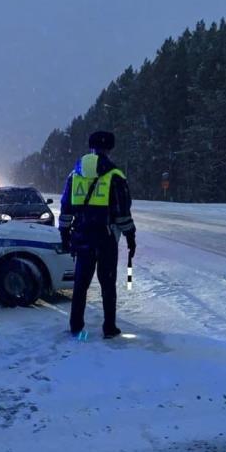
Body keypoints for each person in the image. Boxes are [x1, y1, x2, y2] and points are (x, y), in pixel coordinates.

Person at [58, 130, 136, 338]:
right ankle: (109, 327)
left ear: (90, 147)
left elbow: (65, 209)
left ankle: (76, 325)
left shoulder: (75, 174)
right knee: (107, 284)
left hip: (82, 238)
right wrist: (130, 236)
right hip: (106, 239)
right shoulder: (115, 175)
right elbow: (122, 213)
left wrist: (64, 234)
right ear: (110, 148)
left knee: (81, 285)